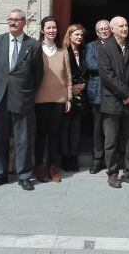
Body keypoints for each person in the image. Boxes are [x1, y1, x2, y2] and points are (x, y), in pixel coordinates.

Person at [0, 9, 44, 191]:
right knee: (0, 139)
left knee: (23, 140)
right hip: (0, 97)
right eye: (10, 19)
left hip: (22, 98)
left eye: (17, 20)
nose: (12, 22)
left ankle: (24, 176)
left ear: (24, 22)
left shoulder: (33, 45)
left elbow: (38, 74)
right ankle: (0, 174)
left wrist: (26, 91)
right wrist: (0, 85)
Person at [98, 16, 129, 188]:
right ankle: (112, 173)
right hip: (112, 101)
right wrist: (126, 93)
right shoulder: (105, 48)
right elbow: (107, 76)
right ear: (112, 29)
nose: (125, 28)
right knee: (111, 140)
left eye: (126, 25)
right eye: (121, 26)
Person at [34, 16, 72, 183]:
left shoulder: (62, 51)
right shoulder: (36, 49)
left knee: (54, 134)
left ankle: (52, 167)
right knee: (41, 134)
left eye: (54, 27)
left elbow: (68, 76)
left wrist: (69, 98)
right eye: (48, 27)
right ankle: (39, 166)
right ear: (42, 30)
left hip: (59, 98)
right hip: (39, 98)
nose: (51, 30)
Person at [61, 24, 88, 172]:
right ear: (69, 35)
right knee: (65, 128)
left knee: (75, 129)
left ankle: (74, 156)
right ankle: (65, 158)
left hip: (81, 95)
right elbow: (60, 74)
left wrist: (83, 86)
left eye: (81, 35)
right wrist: (71, 88)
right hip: (67, 95)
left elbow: (89, 72)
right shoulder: (63, 51)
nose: (79, 37)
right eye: (77, 34)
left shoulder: (84, 51)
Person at [85, 19, 111, 174]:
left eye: (107, 28)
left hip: (113, 94)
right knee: (97, 129)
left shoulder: (116, 44)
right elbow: (91, 65)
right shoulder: (91, 46)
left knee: (112, 129)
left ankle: (110, 160)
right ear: (96, 32)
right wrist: (109, 67)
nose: (104, 31)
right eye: (101, 29)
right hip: (97, 94)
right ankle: (97, 160)